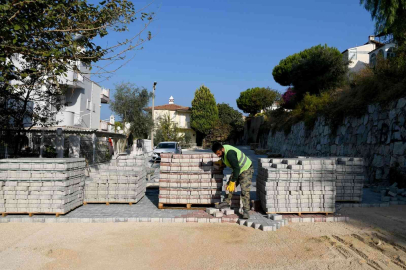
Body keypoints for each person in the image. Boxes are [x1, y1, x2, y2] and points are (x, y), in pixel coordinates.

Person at [212, 142, 253, 219]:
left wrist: (233, 181)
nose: (218, 155)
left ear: (222, 149)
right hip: (237, 169)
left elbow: (236, 168)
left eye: (218, 153)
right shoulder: (223, 151)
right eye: (216, 154)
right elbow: (230, 163)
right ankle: (225, 202)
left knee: (244, 190)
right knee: (228, 187)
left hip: (246, 169)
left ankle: (246, 211)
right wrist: (221, 161)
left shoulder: (230, 153)